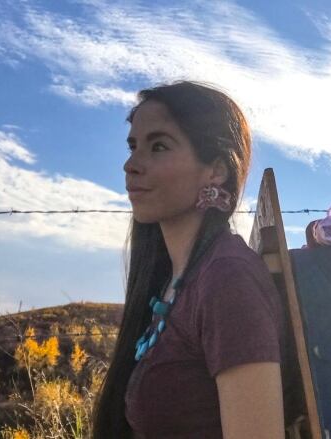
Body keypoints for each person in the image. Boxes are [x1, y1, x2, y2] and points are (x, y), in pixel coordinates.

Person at [91, 81, 287, 439]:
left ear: (216, 170)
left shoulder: (227, 278)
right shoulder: (176, 282)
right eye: (133, 146)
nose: (131, 165)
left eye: (159, 146)